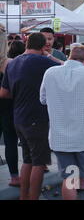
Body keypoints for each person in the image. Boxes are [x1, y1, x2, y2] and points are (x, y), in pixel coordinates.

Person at [40, 46, 84, 200]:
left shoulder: (50, 73)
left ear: (69, 57)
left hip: (60, 137)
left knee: (70, 177)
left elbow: (43, 99)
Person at [0, 33, 59, 200]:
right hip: (37, 118)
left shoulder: (12, 63)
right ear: (42, 47)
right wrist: (49, 56)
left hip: (18, 117)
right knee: (39, 162)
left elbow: (4, 93)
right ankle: (33, 197)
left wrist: (20, 91)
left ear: (27, 44)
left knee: (27, 160)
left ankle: (24, 197)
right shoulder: (43, 62)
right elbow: (66, 66)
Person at [0, 29, 21, 187]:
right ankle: (14, 177)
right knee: (10, 141)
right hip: (8, 108)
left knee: (11, 141)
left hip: (7, 108)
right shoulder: (10, 64)